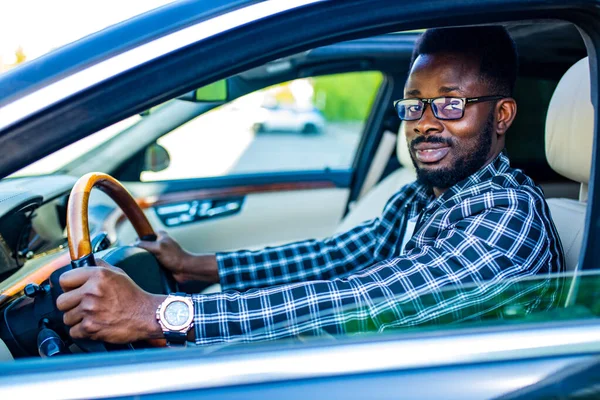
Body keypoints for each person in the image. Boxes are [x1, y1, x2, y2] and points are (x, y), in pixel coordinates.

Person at [56, 26, 565, 346]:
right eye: (413, 104)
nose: (424, 123)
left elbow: (363, 301)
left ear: (501, 115)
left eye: (450, 103)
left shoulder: (507, 218)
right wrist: (196, 267)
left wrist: (158, 313)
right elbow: (336, 257)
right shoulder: (428, 195)